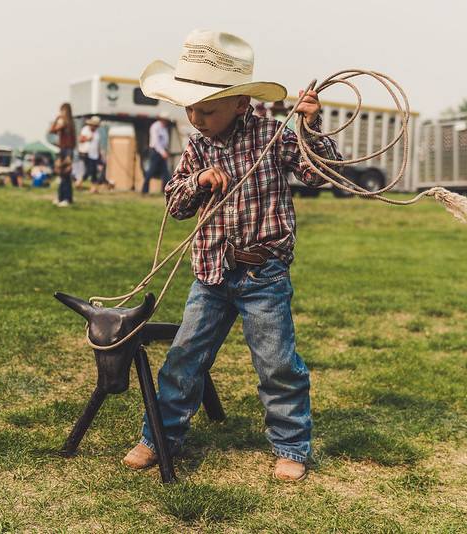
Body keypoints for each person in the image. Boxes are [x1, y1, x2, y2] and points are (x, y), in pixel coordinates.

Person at [121, 29, 342, 482]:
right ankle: (158, 437)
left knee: (276, 361)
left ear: (241, 103)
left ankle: (291, 444)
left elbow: (320, 173)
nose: (196, 118)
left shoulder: (273, 135)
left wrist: (309, 127)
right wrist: (198, 181)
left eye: (207, 108)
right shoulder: (197, 146)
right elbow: (176, 204)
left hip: (263, 272)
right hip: (210, 272)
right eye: (190, 108)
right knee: (184, 357)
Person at [49, 102, 76, 206]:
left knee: (65, 175)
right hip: (66, 149)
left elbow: (51, 130)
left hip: (66, 150)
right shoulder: (71, 124)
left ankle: (66, 198)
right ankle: (62, 197)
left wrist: (56, 119)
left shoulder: (65, 124)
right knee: (63, 175)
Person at [141, 113, 172, 195]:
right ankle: (145, 190)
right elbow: (155, 142)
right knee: (151, 171)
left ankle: (166, 190)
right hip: (156, 151)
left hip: (161, 151)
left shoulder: (163, 128)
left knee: (165, 172)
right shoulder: (156, 127)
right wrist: (162, 152)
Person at [78, 116, 106, 193]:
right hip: (86, 153)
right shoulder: (85, 130)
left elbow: (97, 144)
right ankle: (79, 182)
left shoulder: (96, 133)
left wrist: (100, 155)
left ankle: (93, 188)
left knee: (94, 171)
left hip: (94, 154)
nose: (95, 127)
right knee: (89, 170)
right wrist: (88, 139)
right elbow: (80, 139)